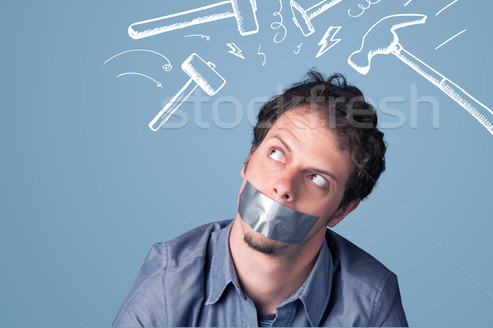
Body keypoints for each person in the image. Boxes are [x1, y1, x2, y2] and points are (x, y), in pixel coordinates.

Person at [113, 70, 408, 327]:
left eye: (317, 178)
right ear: (247, 160)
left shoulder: (371, 302)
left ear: (341, 211)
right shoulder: (169, 278)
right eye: (276, 153)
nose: (283, 186)